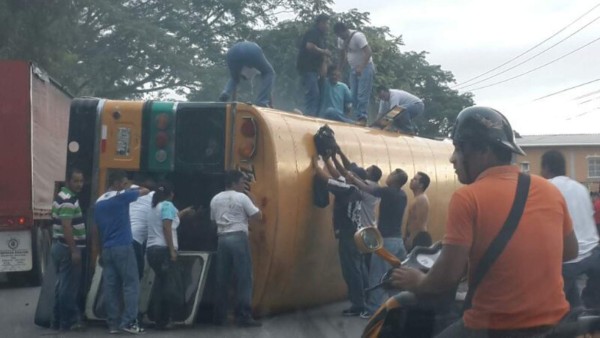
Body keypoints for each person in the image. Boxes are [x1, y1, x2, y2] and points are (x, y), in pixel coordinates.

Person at [389, 106, 578, 337]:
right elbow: (570, 251)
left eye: (458, 148)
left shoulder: (467, 197)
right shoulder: (549, 191)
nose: (452, 158)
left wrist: (418, 281)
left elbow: (446, 277)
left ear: (484, 151)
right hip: (555, 324)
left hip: (495, 327)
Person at [541, 149, 600, 310]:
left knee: (549, 305)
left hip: (568, 259)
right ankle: (586, 314)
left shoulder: (546, 188)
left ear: (545, 168)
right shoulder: (580, 188)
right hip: (594, 254)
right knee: (589, 302)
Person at [347, 168, 409, 318]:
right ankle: (399, 305)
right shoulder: (402, 195)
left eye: (392, 173)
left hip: (386, 242)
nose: (389, 175)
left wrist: (352, 178)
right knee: (396, 277)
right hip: (398, 241)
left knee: (377, 276)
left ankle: (372, 310)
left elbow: (368, 189)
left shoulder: (388, 191)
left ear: (395, 179)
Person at [93, 170, 149, 334]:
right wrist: (129, 188)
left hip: (107, 248)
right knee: (131, 284)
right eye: (124, 183)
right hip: (123, 246)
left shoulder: (99, 202)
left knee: (111, 287)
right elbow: (144, 191)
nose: (126, 186)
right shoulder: (121, 196)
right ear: (117, 184)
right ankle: (129, 321)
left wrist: (99, 250)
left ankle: (113, 323)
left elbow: (96, 229)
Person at [313, 155, 367, 317]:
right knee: (358, 268)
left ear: (355, 178)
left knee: (351, 270)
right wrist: (329, 158)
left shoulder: (348, 189)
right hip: (356, 234)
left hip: (349, 236)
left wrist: (316, 163)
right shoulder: (355, 188)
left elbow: (327, 179)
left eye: (351, 174)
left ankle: (358, 304)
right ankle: (365, 299)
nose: (347, 175)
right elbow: (337, 175)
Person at [211, 170, 262, 327]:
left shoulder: (215, 199)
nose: (243, 185)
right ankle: (244, 315)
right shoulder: (241, 197)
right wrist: (253, 198)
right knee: (244, 277)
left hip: (222, 239)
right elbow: (258, 216)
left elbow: (213, 221)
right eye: (241, 182)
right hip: (238, 237)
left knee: (222, 278)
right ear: (233, 183)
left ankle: (219, 316)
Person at [146, 182, 191, 329]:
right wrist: (172, 250)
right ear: (171, 194)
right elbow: (166, 227)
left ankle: (157, 317)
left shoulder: (154, 207)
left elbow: (171, 219)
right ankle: (164, 320)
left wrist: (184, 212)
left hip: (152, 250)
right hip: (163, 250)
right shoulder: (167, 206)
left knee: (160, 285)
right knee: (168, 287)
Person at [51, 168, 86, 331]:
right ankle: (69, 321)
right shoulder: (67, 201)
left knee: (62, 285)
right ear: (68, 182)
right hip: (67, 248)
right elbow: (67, 226)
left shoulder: (63, 196)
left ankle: (57, 320)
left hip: (60, 246)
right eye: (76, 181)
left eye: (81, 181)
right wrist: (74, 250)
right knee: (68, 287)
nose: (79, 184)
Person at [334, 22, 374, 125]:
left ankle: (362, 117)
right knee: (353, 95)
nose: (341, 37)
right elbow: (342, 55)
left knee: (362, 94)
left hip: (365, 68)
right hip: (353, 68)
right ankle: (357, 117)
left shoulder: (357, 37)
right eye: (339, 36)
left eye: (342, 35)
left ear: (345, 30)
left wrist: (362, 66)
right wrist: (339, 70)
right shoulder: (340, 40)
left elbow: (368, 52)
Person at [219, 41, 275, 107]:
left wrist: (232, 103)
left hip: (231, 52)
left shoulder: (244, 66)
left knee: (234, 78)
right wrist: (270, 104)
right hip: (252, 50)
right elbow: (268, 85)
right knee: (269, 72)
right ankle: (261, 101)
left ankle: (226, 92)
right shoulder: (257, 56)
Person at [297, 14, 331, 117]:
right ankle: (309, 115)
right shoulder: (313, 32)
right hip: (307, 67)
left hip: (316, 70)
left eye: (327, 23)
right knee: (313, 93)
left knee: (319, 94)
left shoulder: (322, 37)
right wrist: (323, 51)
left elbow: (324, 58)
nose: (326, 25)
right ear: (319, 23)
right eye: (325, 23)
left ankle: (314, 116)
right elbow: (309, 46)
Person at [129, 176, 155, 280]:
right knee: (136, 276)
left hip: (121, 239)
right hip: (135, 241)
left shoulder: (131, 195)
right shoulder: (152, 196)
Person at [405, 172, 431, 252]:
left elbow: (420, 222)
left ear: (421, 185)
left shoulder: (421, 199)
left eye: (415, 179)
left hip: (419, 238)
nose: (411, 180)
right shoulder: (416, 198)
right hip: (414, 236)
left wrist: (411, 238)